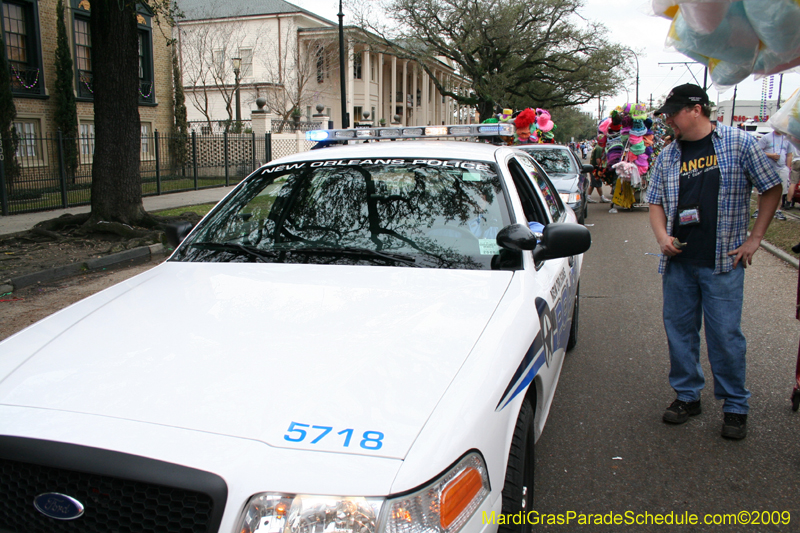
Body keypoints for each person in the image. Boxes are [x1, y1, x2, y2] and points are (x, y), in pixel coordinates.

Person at [645, 83, 783, 440]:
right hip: (679, 263)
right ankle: (687, 397)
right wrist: (662, 238)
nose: (669, 121)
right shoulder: (668, 155)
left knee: (725, 336)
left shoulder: (739, 144)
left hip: (723, 262)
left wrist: (755, 239)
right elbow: (656, 201)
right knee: (680, 333)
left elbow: (771, 187)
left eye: (673, 113)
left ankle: (735, 405)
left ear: (696, 109)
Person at [757, 129, 794, 220]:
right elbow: (758, 151)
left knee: (780, 191)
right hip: (767, 168)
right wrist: (771, 155)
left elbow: (789, 155)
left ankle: (777, 210)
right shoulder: (766, 137)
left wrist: (787, 168)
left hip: (781, 169)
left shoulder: (787, 139)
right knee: (763, 190)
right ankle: (759, 210)